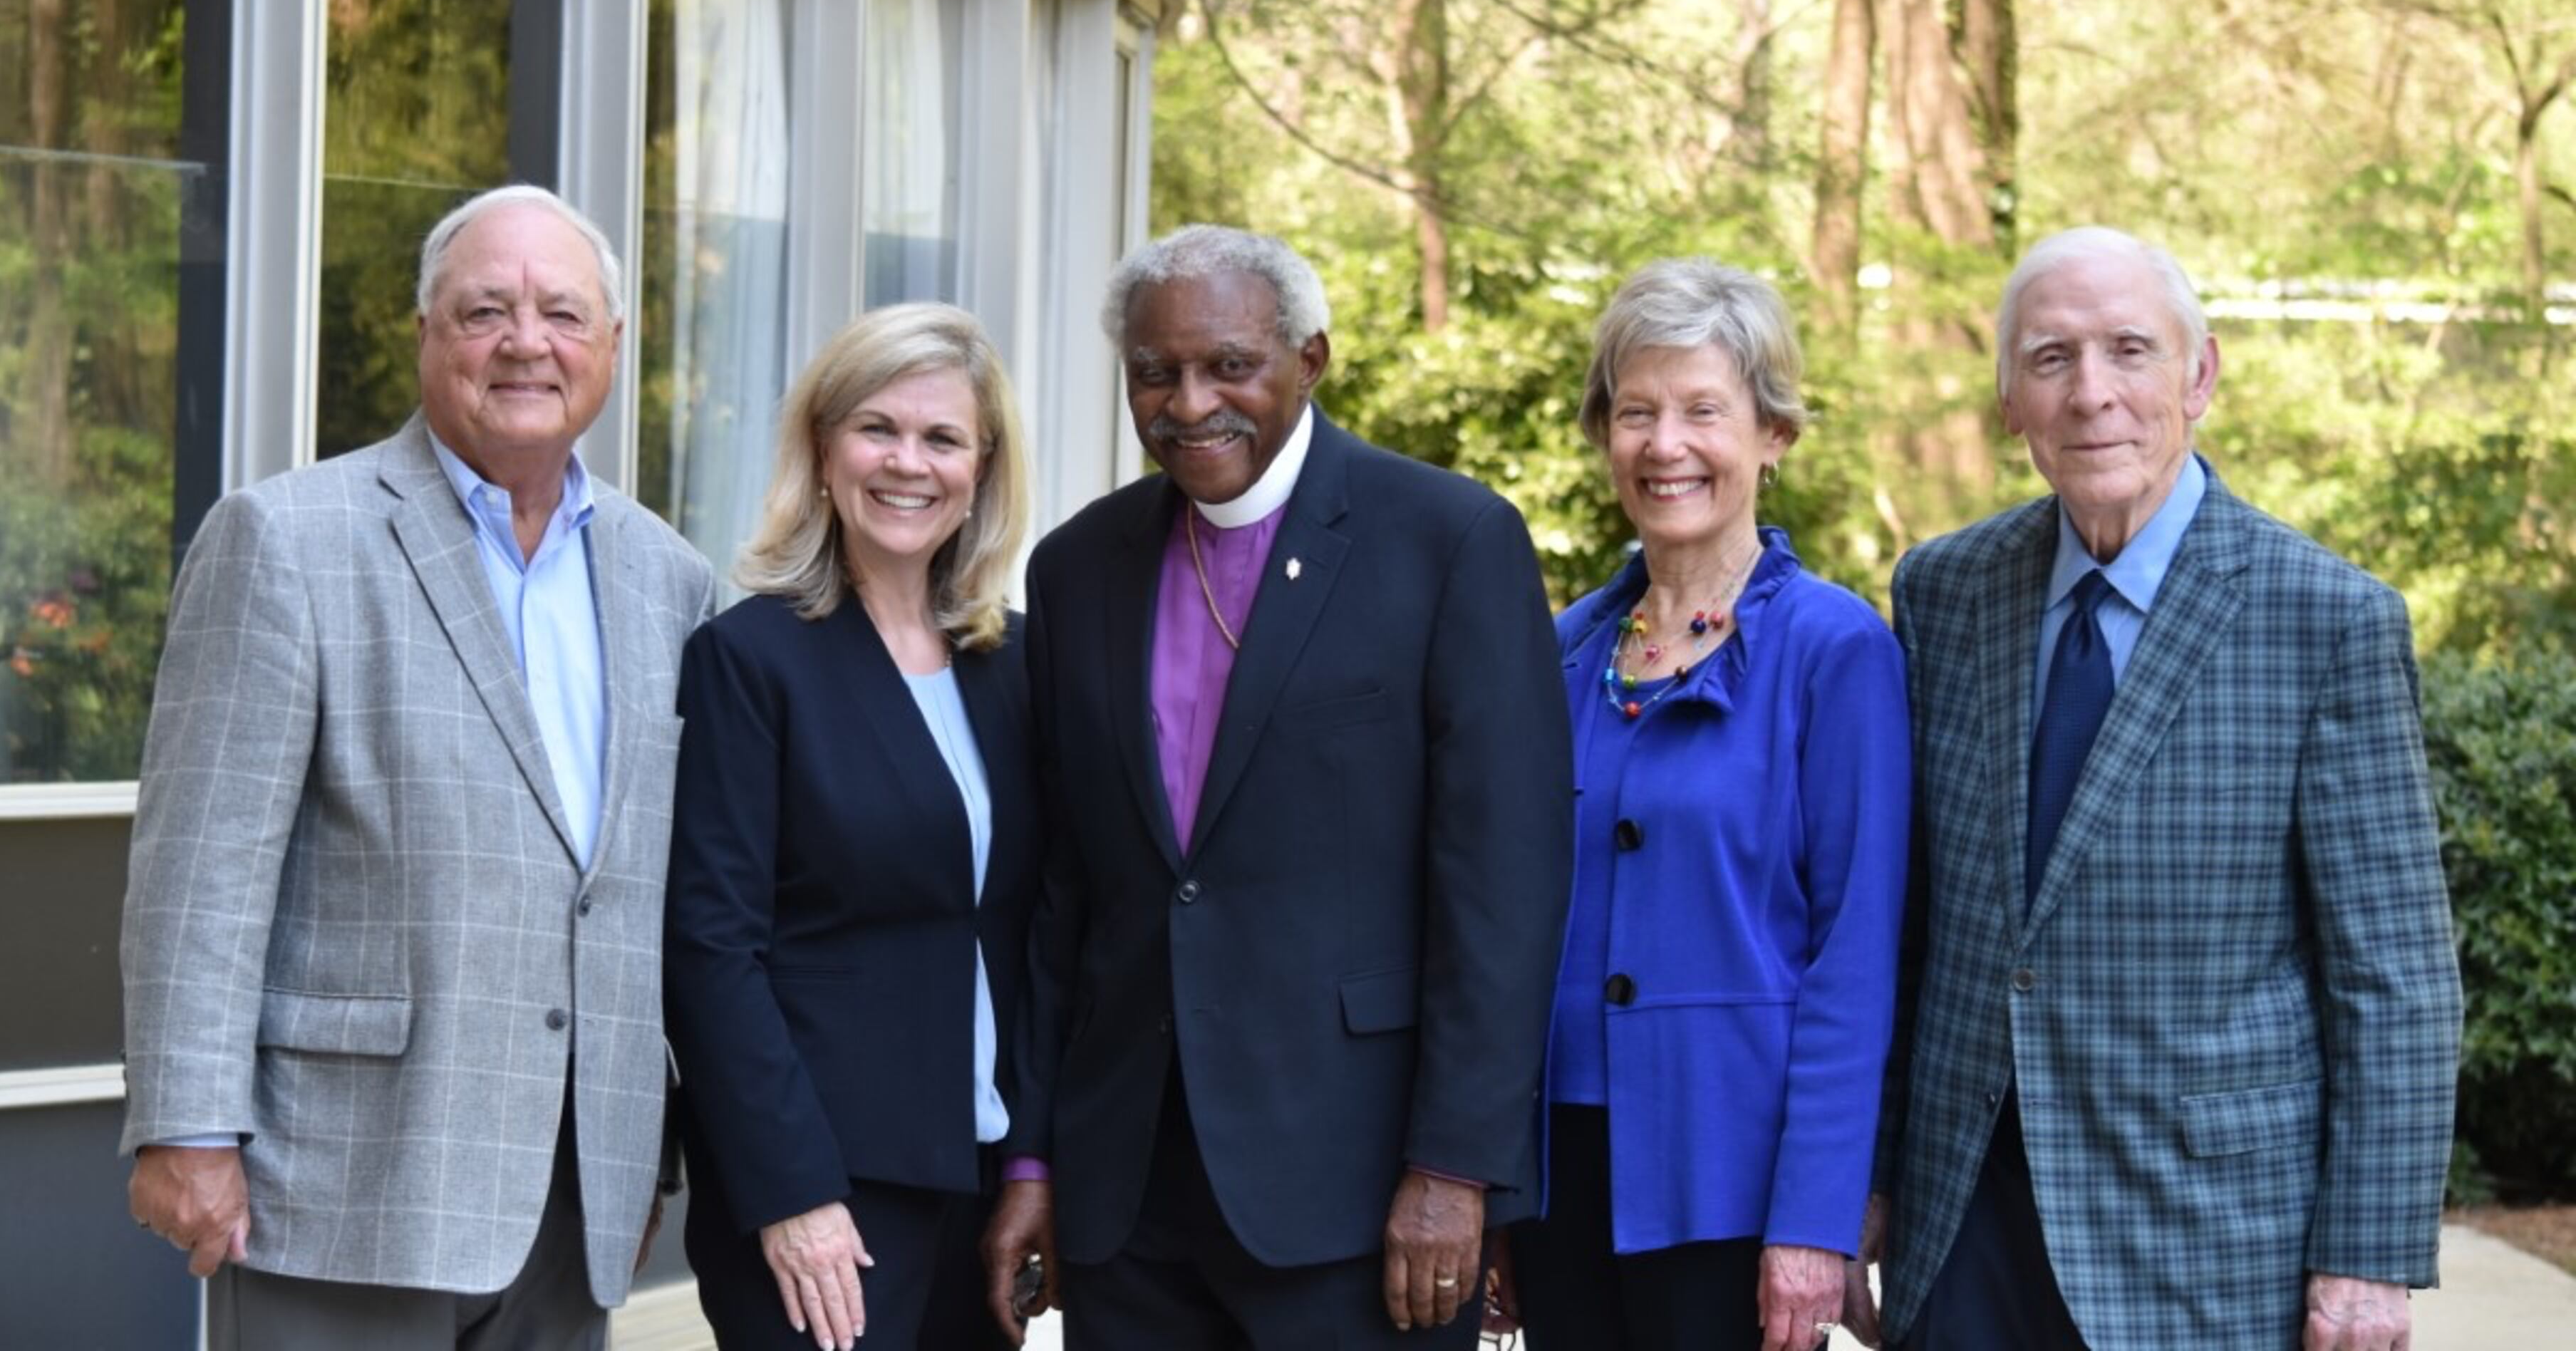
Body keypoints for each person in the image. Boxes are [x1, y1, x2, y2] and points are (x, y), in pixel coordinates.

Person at [1843, 227, 2463, 1351]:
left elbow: (2394, 978)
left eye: (2130, 349)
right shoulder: (1943, 592)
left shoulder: (2327, 621)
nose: (2093, 394)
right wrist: (1867, 1177)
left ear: (2200, 375)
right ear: (2010, 401)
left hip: (2205, 1243)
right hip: (1964, 1226)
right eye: (2052, 359)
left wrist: (2368, 1257)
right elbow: (1911, 926)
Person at [120, 185, 716, 1348]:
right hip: (343, 1179)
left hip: (573, 1195)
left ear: (612, 344)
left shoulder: (671, 581)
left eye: (562, 314)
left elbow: (651, 893)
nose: (526, 343)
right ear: (426, 334)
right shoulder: (287, 539)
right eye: (485, 311)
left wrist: (648, 1145)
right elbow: (202, 866)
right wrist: (186, 1124)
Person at [979, 224, 1574, 1350]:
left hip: (1359, 1191)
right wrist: (1034, 1160)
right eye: (1155, 373)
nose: (1190, 402)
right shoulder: (1076, 567)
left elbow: (1506, 884)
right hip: (1129, 1198)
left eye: (1229, 365)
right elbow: (1067, 894)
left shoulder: (1449, 540)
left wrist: (1456, 1167)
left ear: (1311, 359)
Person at [1506, 261, 1908, 1351]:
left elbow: (1856, 957)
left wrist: (1817, 1220)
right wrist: (1493, 1185)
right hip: (1560, 1179)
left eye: (1703, 411)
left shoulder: (1836, 652)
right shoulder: (1562, 652)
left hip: (1737, 1181)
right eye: (1635, 412)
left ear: (1773, 434)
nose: (1664, 444)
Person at [662, 304, 1038, 1351]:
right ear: (824, 450)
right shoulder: (750, 660)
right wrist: (792, 1192)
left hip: (980, 1177)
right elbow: (710, 948)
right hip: (826, 1190)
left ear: (982, 468)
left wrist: (1034, 1165)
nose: (908, 463)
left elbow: (1040, 925)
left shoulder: (1012, 662)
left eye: (943, 438)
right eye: (878, 428)